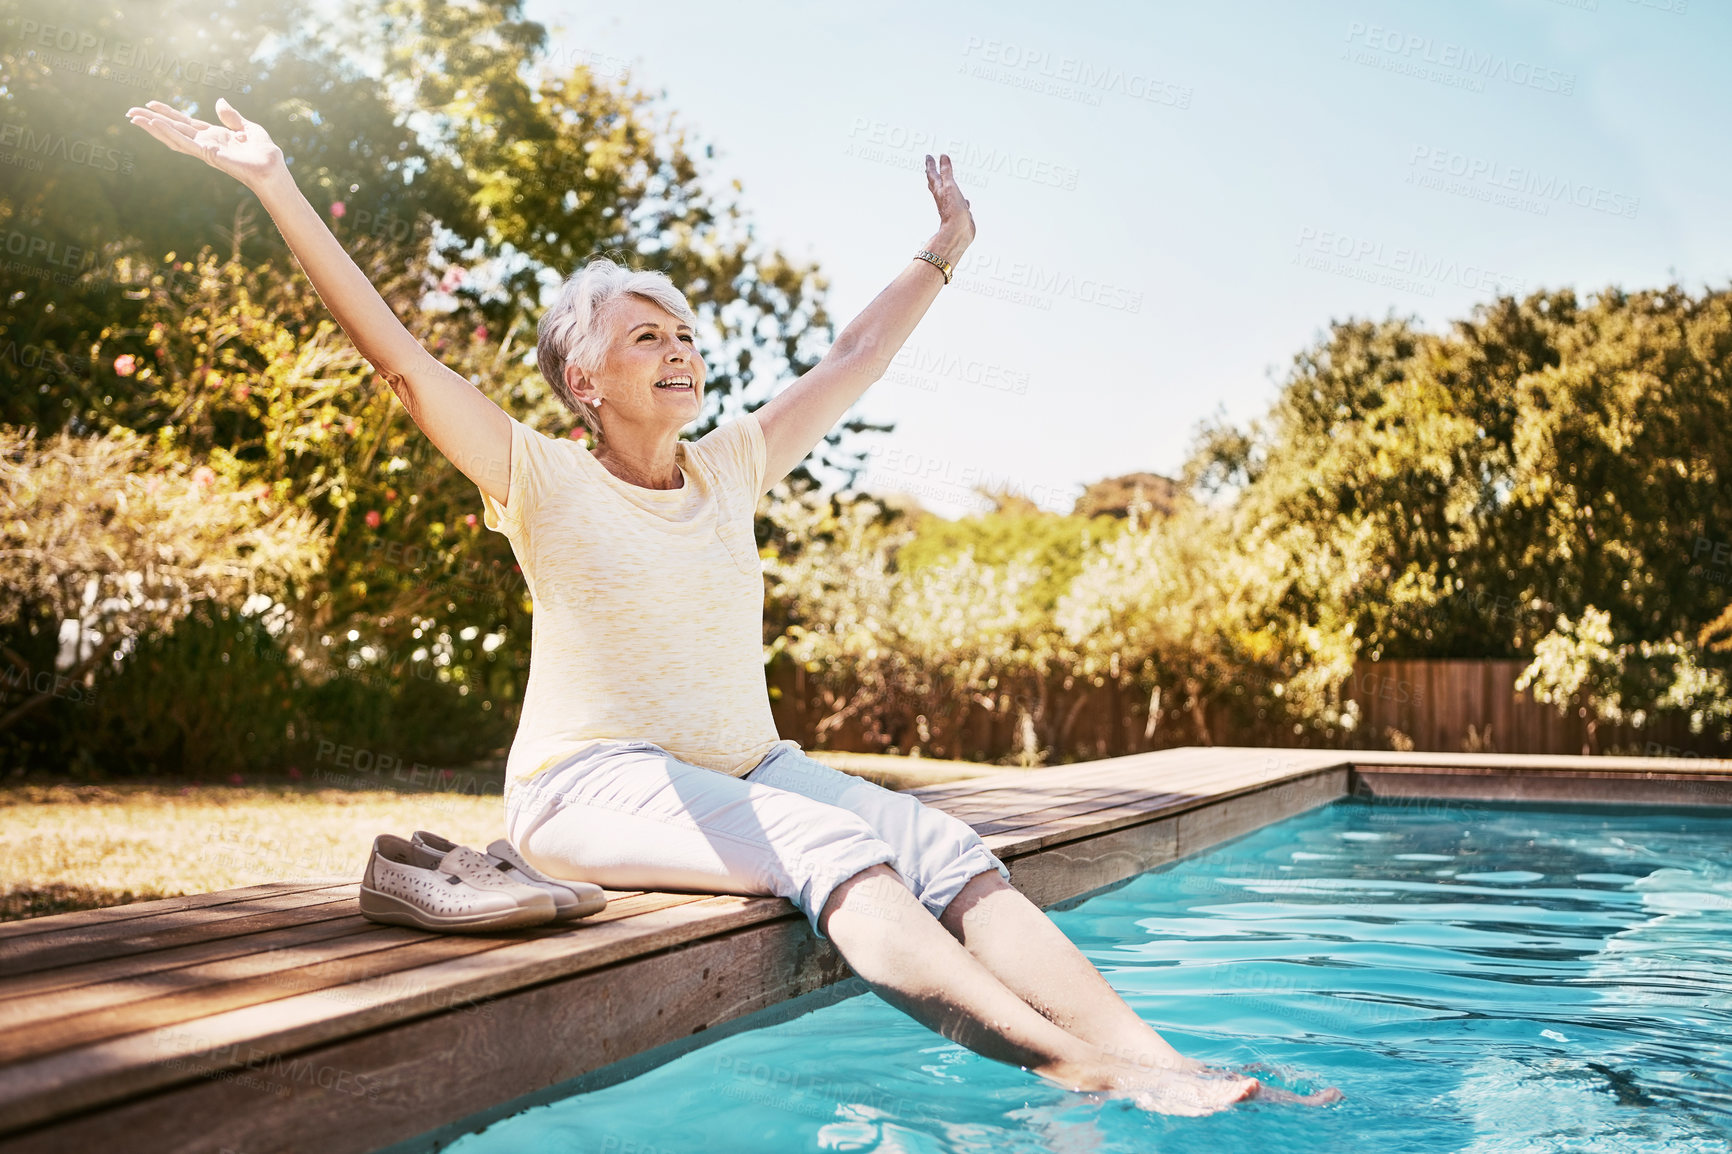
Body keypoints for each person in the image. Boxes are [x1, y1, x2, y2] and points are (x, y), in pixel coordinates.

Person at [126, 96, 1339, 1117]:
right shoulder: (537, 476)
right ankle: (1074, 1065)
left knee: (945, 844)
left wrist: (945, 248)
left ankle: (1159, 1057)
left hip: (752, 767)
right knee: (829, 844)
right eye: (644, 334)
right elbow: (398, 355)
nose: (682, 349)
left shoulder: (729, 467)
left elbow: (854, 358)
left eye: (689, 332)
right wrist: (277, 180)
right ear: (582, 378)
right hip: (585, 788)